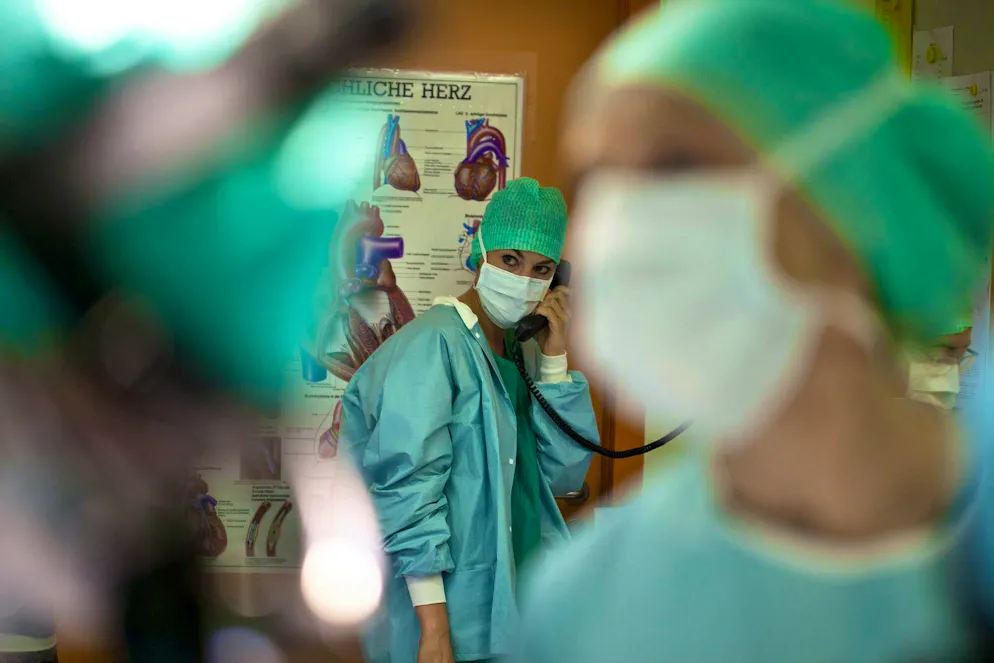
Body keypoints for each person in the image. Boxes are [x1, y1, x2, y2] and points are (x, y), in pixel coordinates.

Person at [512, 1, 994, 662]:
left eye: (673, 164)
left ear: (849, 199)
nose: (619, 228)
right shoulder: (586, 600)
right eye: (597, 179)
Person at [339, 177, 598, 663]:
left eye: (542, 268)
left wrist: (555, 357)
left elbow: (561, 476)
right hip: (447, 617)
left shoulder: (520, 350)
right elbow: (407, 488)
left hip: (515, 605)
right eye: (510, 260)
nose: (525, 278)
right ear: (480, 249)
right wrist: (434, 629)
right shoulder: (434, 345)